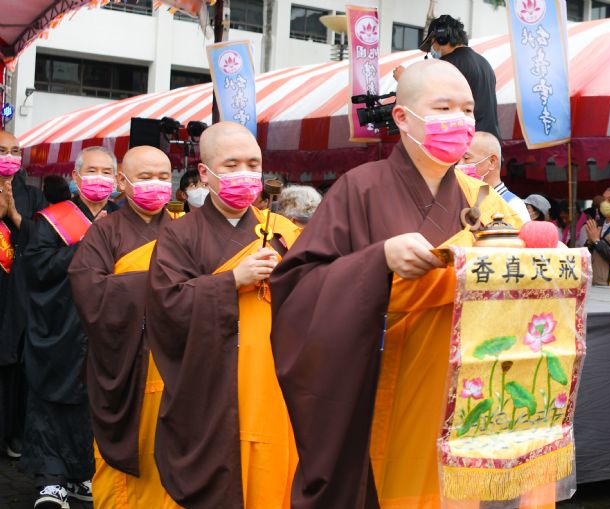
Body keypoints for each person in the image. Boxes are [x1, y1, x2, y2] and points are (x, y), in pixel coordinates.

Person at [270, 59, 522, 509]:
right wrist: (377, 261)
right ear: (403, 118)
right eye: (444, 108)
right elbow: (297, 290)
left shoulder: (483, 202)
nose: (460, 122)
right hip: (381, 392)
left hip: (467, 395)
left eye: (468, 111)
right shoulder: (359, 189)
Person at [146, 122, 299, 509]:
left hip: (273, 382)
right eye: (231, 165)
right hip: (212, 387)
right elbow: (166, 304)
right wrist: (231, 280)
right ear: (205, 173)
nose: (245, 175)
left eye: (253, 164)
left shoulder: (281, 232)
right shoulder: (180, 235)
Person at [68, 146, 183, 508]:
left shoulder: (185, 231)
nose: (156, 185)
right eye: (145, 177)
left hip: (174, 368)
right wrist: (157, 284)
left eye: (164, 178)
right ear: (123, 181)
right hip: (124, 367)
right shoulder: (105, 232)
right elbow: (89, 289)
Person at [21, 146, 119, 508]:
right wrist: (90, 242)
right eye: (91, 171)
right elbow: (38, 268)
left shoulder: (123, 217)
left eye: (107, 172)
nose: (99, 178)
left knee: (94, 402)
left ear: (117, 179)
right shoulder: (51, 220)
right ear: (76, 178)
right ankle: (51, 478)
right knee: (52, 400)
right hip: (60, 322)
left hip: (107, 327)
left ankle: (81, 474)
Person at [0, 131, 48, 461]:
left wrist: (15, 215)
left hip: (19, 290)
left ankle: (12, 432)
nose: (10, 156)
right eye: (3, 150)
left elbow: (45, 239)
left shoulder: (32, 195)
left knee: (15, 365)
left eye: (15, 150)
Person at [395, 15, 500, 140]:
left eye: (431, 44)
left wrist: (406, 77)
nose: (432, 51)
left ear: (442, 38)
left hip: (468, 147)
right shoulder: (484, 63)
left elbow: (428, 94)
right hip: (490, 143)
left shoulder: (447, 64)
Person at [459, 131, 529, 224]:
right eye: (458, 159)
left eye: (466, 158)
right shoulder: (462, 200)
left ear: (492, 162)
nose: (460, 165)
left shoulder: (513, 205)